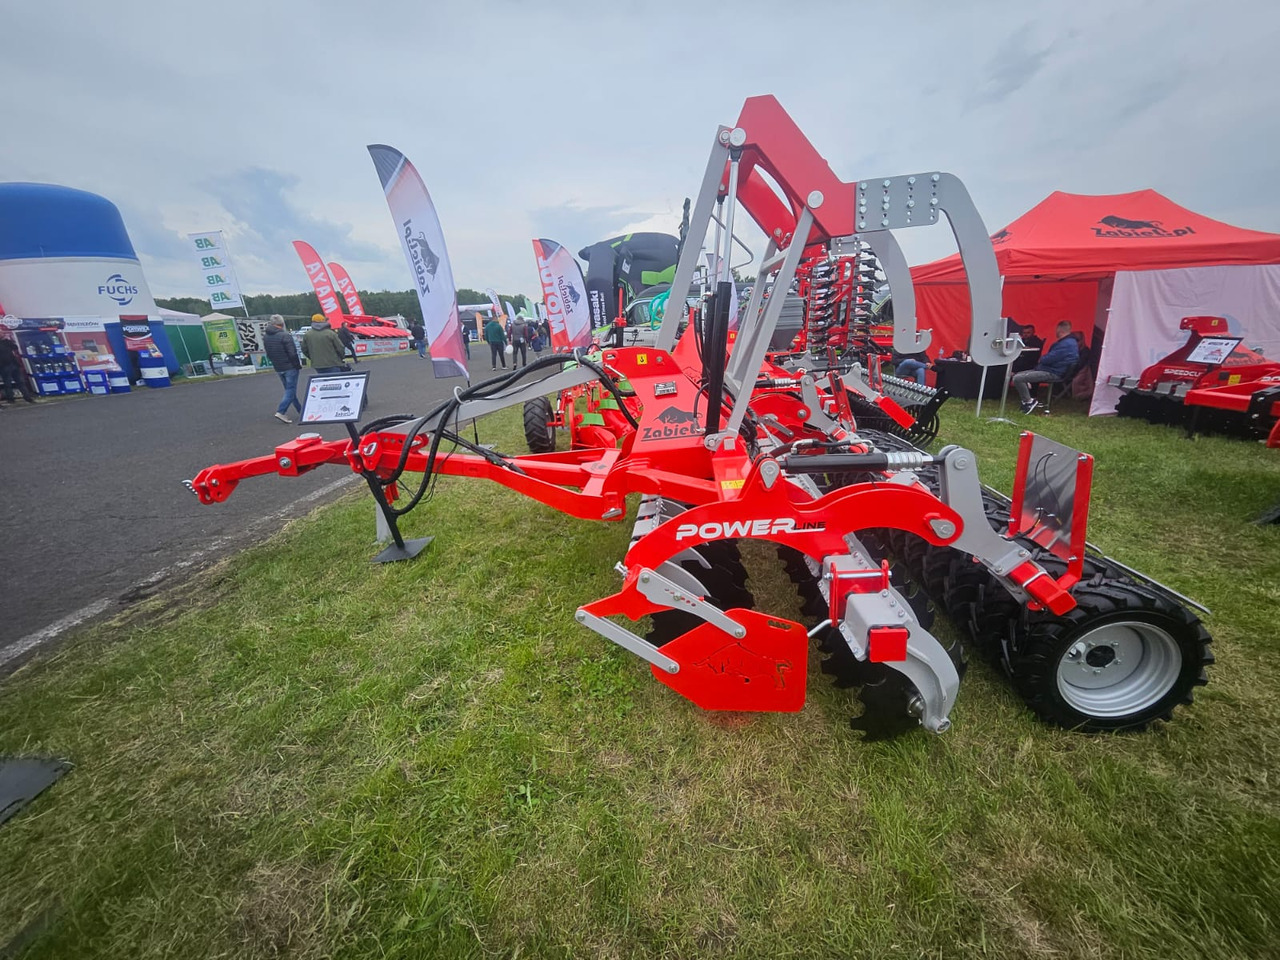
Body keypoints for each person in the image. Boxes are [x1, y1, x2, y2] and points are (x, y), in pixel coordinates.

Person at [1014, 320, 1080, 414]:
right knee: (1019, 375)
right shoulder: (1071, 343)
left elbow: (1047, 359)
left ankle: (1029, 402)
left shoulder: (1065, 344)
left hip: (1053, 372)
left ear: (1060, 331)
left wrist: (1042, 358)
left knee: (1018, 378)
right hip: (1054, 370)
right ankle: (1028, 399)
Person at [262, 316, 302, 423]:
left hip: (278, 366)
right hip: (289, 366)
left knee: (289, 390)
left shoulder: (266, 337)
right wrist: (297, 365)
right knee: (291, 390)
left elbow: (268, 353)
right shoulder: (285, 335)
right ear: (282, 323)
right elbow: (292, 353)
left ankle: (301, 410)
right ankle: (281, 411)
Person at [0, 336, 37, 405]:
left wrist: (10, 340)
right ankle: (11, 399)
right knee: (8, 383)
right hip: (4, 366)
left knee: (21, 382)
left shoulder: (6, 342)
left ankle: (27, 397)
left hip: (14, 364)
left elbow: (15, 347)